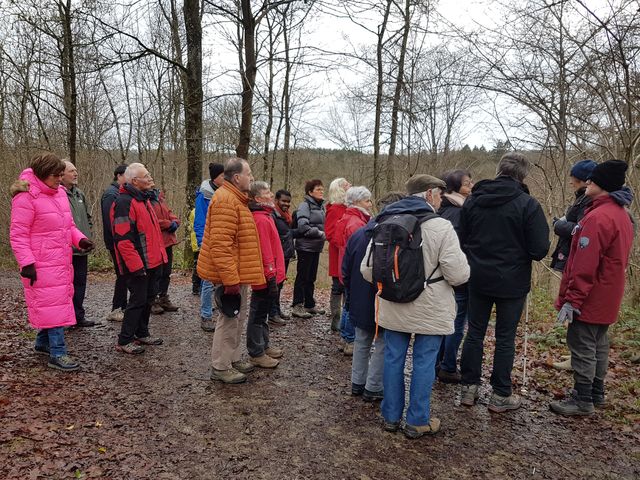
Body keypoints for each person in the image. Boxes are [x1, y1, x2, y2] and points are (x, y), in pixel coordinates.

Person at [361, 175, 470, 438]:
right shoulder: (441, 227)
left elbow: (367, 269)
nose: (441, 200)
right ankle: (418, 420)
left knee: (393, 357)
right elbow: (458, 275)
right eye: (440, 195)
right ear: (430, 194)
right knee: (424, 361)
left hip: (394, 304)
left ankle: (390, 416)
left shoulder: (384, 221)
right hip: (429, 307)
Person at [458, 153, 550, 412]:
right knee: (505, 337)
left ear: (499, 170)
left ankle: (469, 387)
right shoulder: (528, 205)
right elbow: (539, 249)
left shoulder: (473, 201)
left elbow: (461, 239)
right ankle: (500, 394)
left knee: (475, 331)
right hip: (512, 281)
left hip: (477, 277)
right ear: (523, 175)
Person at [550, 160, 634, 416]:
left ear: (604, 186)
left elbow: (584, 265)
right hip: (608, 293)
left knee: (582, 343)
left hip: (591, 295)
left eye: (593, 180)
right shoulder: (622, 215)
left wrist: (572, 300)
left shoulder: (598, 218)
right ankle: (596, 393)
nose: (587, 183)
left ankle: (583, 399)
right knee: (599, 343)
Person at [10, 153, 94, 371]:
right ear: (42, 174)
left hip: (60, 259)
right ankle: (58, 353)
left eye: (60, 175)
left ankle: (42, 342)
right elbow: (18, 234)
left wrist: (80, 240)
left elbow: (68, 226)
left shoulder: (59, 194)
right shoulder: (26, 197)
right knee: (54, 305)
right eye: (55, 175)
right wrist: (27, 263)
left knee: (55, 302)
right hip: (40, 263)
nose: (60, 179)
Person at [197, 158, 265, 384]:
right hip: (230, 275)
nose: (252, 178)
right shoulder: (226, 200)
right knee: (228, 318)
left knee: (237, 317)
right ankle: (221, 366)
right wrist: (230, 280)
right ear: (237, 177)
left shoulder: (236, 199)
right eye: (249, 174)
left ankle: (233, 358)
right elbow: (221, 245)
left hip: (238, 273)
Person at [111, 163, 167, 354]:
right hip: (137, 264)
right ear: (135, 181)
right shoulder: (124, 202)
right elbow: (123, 240)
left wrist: (160, 257)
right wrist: (136, 266)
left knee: (148, 299)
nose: (151, 179)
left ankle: (142, 333)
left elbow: (152, 233)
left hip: (153, 261)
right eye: (147, 176)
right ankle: (124, 340)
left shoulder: (144, 199)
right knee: (137, 301)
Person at [548, 159, 598, 371]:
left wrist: (559, 225)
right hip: (569, 256)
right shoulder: (582, 199)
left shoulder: (588, 202)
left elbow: (579, 229)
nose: (570, 182)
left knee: (575, 305)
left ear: (583, 180)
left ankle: (578, 358)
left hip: (577, 258)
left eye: (573, 179)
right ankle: (574, 356)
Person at [436, 169, 474, 383]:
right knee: (457, 322)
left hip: (442, 274)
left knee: (447, 319)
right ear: (454, 187)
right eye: (467, 183)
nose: (471, 186)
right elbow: (459, 246)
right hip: (458, 274)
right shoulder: (458, 211)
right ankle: (448, 366)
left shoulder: (444, 207)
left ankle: (439, 361)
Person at [247, 181, 286, 368]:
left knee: (263, 312)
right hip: (264, 276)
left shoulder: (267, 216)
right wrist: (270, 274)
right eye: (267, 192)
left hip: (272, 274)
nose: (271, 195)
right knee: (258, 313)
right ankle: (256, 351)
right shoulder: (260, 219)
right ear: (257, 198)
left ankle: (264, 345)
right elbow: (265, 250)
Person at [336, 186, 373, 356]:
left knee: (348, 303)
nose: (370, 204)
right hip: (353, 269)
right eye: (367, 201)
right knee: (352, 305)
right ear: (357, 202)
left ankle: (345, 336)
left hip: (345, 267)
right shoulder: (356, 223)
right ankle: (350, 339)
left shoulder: (347, 218)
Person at [61, 160, 96, 328]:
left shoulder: (79, 194)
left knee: (80, 283)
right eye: (71, 171)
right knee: (66, 285)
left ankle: (78, 316)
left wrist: (86, 234)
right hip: (66, 250)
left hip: (81, 250)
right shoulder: (58, 194)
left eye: (76, 170)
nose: (76, 174)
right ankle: (65, 318)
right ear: (61, 174)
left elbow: (88, 218)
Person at [196, 162, 225, 332]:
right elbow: (199, 222)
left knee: (221, 281)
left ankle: (220, 308)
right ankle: (206, 315)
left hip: (222, 244)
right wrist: (202, 244)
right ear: (215, 178)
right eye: (222, 176)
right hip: (208, 244)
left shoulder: (223, 193)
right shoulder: (204, 196)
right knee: (207, 282)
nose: (225, 178)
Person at [291, 179, 326, 318]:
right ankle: (297, 305)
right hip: (305, 247)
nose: (321, 191)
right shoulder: (305, 206)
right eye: (318, 189)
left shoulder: (321, 207)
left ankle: (309, 304)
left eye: (322, 189)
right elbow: (303, 227)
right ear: (310, 192)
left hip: (316, 247)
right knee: (302, 277)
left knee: (311, 277)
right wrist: (320, 233)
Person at [101, 164, 128, 322]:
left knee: (124, 275)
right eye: (127, 175)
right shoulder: (111, 194)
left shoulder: (118, 192)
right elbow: (109, 221)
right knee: (122, 275)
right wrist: (115, 243)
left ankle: (121, 307)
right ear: (119, 176)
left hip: (120, 242)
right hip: (116, 243)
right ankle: (116, 308)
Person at [149, 189, 180, 314]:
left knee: (166, 272)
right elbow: (153, 220)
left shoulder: (160, 198)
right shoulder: (146, 200)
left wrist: (175, 222)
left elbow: (171, 214)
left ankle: (163, 297)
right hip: (156, 242)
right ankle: (153, 300)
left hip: (167, 241)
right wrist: (168, 224)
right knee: (156, 273)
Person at [325, 178, 351, 329]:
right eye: (347, 184)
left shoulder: (348, 207)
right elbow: (330, 233)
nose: (350, 185)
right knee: (337, 287)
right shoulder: (335, 209)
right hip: (338, 254)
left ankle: (345, 320)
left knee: (347, 287)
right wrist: (344, 244)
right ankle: (336, 318)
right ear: (340, 189)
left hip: (347, 252)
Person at [269, 189, 295, 325]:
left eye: (288, 202)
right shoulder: (273, 215)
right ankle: (272, 313)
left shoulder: (285, 216)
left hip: (285, 254)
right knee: (275, 285)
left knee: (280, 285)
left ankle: (277, 310)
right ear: (276, 201)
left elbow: (287, 234)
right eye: (284, 201)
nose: (286, 204)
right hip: (276, 256)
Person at [188, 207, 201, 295]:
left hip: (195, 241)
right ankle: (196, 287)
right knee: (198, 265)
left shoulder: (194, 211)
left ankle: (196, 287)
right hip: (198, 242)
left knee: (197, 265)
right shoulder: (197, 211)